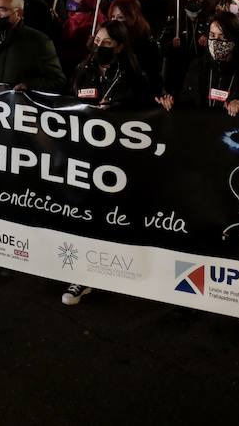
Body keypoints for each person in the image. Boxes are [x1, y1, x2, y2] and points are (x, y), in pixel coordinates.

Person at [60, 19, 154, 308]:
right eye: (97, 42)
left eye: (108, 44)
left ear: (121, 46)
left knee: (117, 214)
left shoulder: (135, 75)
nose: (100, 47)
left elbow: (146, 110)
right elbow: (65, 101)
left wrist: (118, 112)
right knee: (86, 212)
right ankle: (82, 275)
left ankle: (121, 270)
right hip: (85, 155)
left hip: (119, 159)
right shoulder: (83, 69)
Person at [164, 11, 239, 116]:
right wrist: (172, 103)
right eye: (212, 35)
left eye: (223, 37)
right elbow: (186, 101)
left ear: (235, 39)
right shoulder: (197, 66)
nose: (216, 41)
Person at [104, 0, 160, 88]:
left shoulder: (147, 46)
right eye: (113, 17)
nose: (115, 22)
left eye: (120, 17)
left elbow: (151, 78)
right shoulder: (108, 41)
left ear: (132, 18)